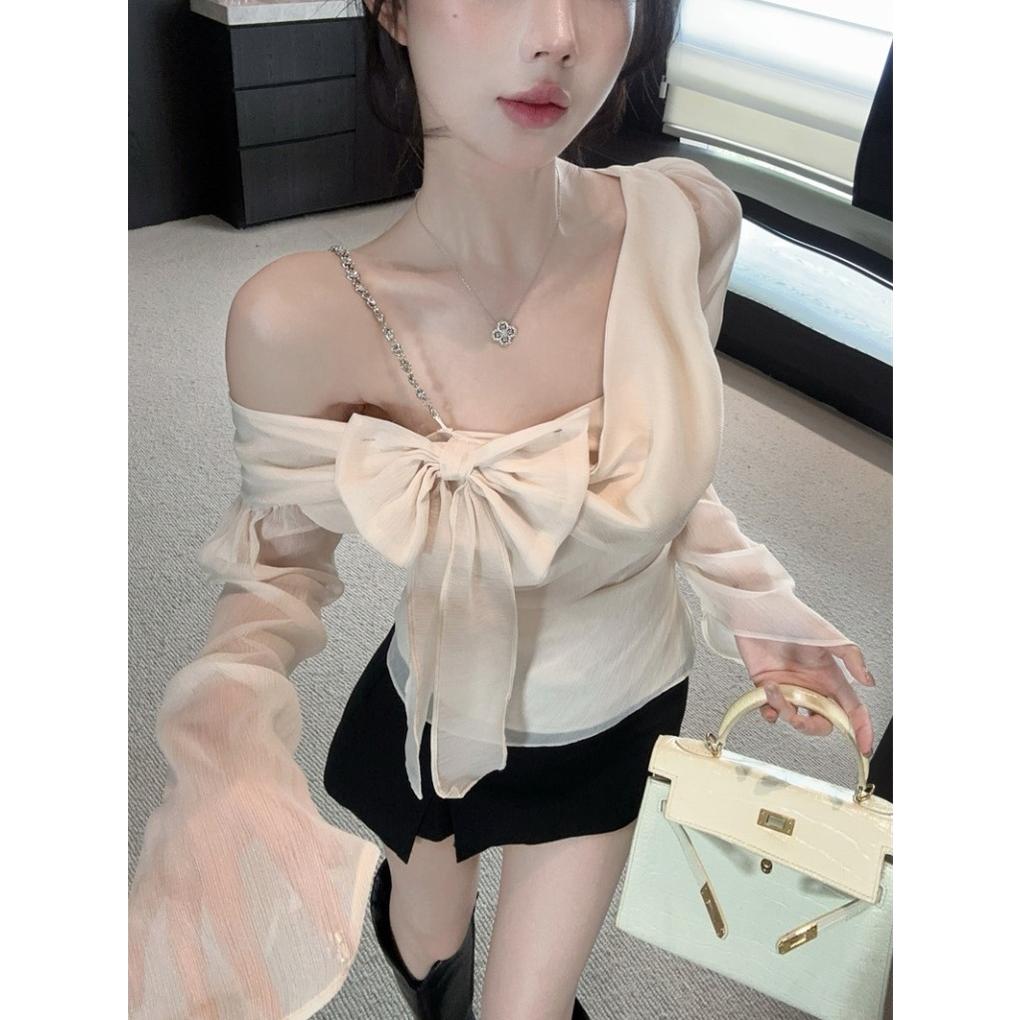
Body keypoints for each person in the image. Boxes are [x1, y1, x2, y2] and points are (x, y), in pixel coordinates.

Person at [128, 2, 878, 1019]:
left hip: (622, 697)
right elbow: (278, 570)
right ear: (393, 9)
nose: (557, 32)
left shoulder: (690, 219)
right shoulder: (301, 317)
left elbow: (658, 455)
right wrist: (222, 748)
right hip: (443, 714)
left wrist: (756, 595)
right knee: (427, 942)